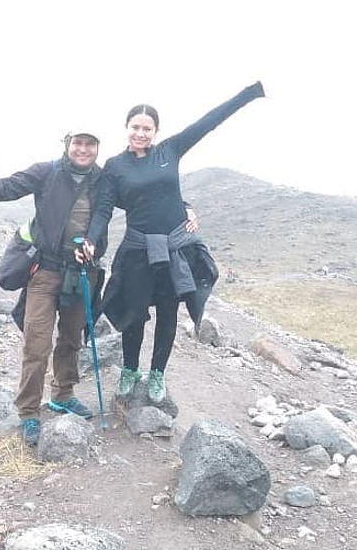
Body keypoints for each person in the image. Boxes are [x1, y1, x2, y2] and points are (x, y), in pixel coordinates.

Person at [81, 81, 266, 404]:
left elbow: (210, 121)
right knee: (135, 313)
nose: (141, 133)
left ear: (156, 131)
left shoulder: (170, 150)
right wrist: (92, 240)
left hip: (174, 249)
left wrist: (250, 94)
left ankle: (157, 374)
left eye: (147, 128)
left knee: (168, 313)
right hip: (138, 250)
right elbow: (104, 210)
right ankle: (129, 370)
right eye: (135, 127)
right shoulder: (115, 167)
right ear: (127, 128)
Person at [0, 129, 109, 447]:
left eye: (90, 144)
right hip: (45, 272)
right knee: (37, 343)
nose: (83, 149)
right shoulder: (46, 171)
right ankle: (29, 412)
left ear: (97, 148)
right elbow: (2, 191)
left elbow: (145, 194)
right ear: (68, 145)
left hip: (83, 273)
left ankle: (63, 395)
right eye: (78, 143)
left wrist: (184, 204)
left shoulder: (104, 179)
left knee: (72, 338)